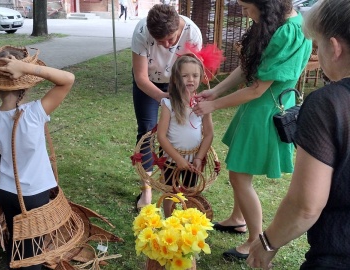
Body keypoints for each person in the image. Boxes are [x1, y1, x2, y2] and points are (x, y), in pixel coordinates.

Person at [247, 0, 350, 269]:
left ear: (335, 47)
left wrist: (267, 243)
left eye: (318, 45)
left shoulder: (331, 103)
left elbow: (305, 205)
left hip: (346, 256)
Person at [192, 0, 312, 260]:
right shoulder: (285, 23)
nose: (245, 13)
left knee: (239, 176)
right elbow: (250, 71)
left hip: (265, 111)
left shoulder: (287, 32)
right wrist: (217, 90)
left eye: (246, 7)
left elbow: (258, 88)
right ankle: (238, 218)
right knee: (241, 169)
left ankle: (254, 241)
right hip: (260, 105)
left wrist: (213, 105)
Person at [0, 47, 74, 269]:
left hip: (7, 192)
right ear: (25, 83)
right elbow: (68, 79)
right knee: (33, 253)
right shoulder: (35, 112)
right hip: (34, 195)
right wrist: (27, 68)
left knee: (16, 241)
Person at [131, 4, 202, 211]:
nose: (165, 45)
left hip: (177, 81)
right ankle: (147, 189)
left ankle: (170, 179)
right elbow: (141, 77)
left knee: (174, 130)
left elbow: (193, 70)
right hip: (148, 81)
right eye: (160, 41)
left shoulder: (192, 32)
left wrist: (184, 95)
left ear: (178, 27)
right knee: (146, 130)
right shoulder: (141, 31)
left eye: (170, 39)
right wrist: (162, 97)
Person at [157, 54, 213, 216]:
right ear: (175, 79)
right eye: (185, 75)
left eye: (195, 75)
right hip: (170, 158)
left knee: (190, 192)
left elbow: (209, 134)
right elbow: (161, 136)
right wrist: (178, 159)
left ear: (201, 77)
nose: (190, 79)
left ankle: (188, 221)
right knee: (170, 191)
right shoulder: (168, 104)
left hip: (192, 159)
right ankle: (169, 220)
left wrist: (198, 158)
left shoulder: (203, 105)